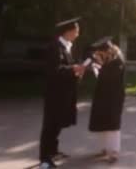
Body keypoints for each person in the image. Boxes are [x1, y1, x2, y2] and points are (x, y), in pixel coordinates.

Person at [39, 17, 86, 169]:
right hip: (54, 95)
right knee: (50, 125)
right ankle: (44, 159)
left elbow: (66, 68)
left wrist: (77, 71)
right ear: (68, 31)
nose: (78, 34)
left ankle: (53, 151)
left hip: (64, 94)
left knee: (57, 124)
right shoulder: (55, 47)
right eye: (76, 31)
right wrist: (73, 69)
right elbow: (53, 70)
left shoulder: (67, 47)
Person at [88, 36, 126, 164]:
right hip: (104, 97)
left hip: (113, 98)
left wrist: (99, 69)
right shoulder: (109, 61)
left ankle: (114, 151)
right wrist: (99, 67)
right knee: (103, 123)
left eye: (100, 53)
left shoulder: (117, 62)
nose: (98, 55)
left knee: (113, 125)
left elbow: (110, 79)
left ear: (108, 51)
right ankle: (104, 149)